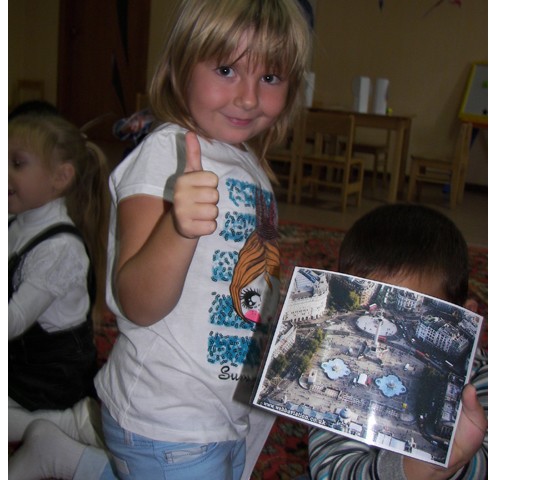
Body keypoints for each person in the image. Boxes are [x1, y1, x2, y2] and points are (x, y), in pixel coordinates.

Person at [87, 1, 312, 479]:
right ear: (180, 67)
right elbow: (136, 301)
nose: (248, 97)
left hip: (223, 412)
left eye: (270, 77)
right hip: (168, 420)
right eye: (226, 70)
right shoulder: (166, 154)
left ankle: (70, 459)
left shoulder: (248, 165)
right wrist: (177, 227)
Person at [306, 204, 488, 480]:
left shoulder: (484, 379)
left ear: (466, 317)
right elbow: (331, 469)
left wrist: (454, 463)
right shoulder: (333, 373)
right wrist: (412, 470)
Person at [8, 113, 110, 445]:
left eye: (16, 164)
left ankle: (68, 425)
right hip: (18, 361)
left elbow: (13, 321)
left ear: (60, 177)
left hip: (51, 377)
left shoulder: (60, 248)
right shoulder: (17, 220)